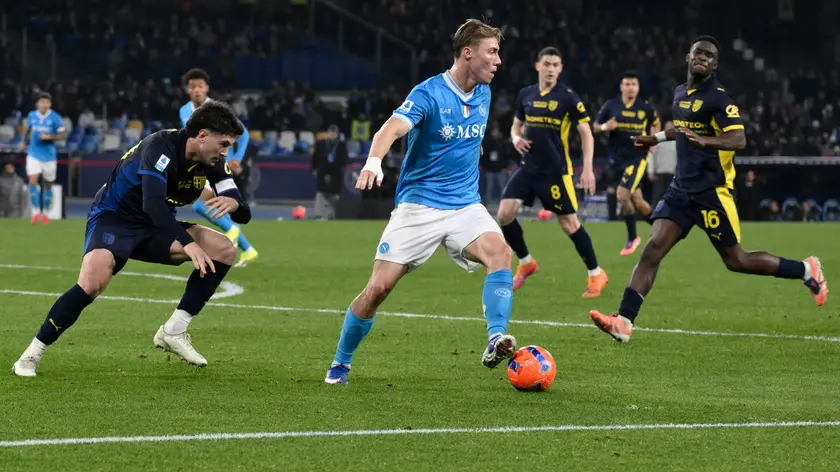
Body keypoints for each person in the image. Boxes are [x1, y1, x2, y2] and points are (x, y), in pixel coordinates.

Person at [589, 36, 828, 343]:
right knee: (653, 248)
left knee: (736, 260)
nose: (703, 58)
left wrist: (707, 141)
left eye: (709, 56)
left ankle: (806, 269)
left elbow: (738, 138)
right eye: (698, 53)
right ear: (688, 57)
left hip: (712, 191)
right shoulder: (680, 93)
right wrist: (656, 138)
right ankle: (624, 321)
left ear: (715, 65)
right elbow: (682, 127)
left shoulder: (720, 99)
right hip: (681, 190)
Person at [324, 19, 515, 385]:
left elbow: (468, 140)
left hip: (465, 205)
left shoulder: (485, 93)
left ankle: (496, 339)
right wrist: (374, 161)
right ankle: (340, 363)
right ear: (467, 53)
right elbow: (391, 128)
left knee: (501, 253)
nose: (498, 60)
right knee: (378, 289)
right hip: (419, 206)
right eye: (492, 52)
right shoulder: (429, 93)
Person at [12, 101, 252, 376]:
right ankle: (31, 354)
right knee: (93, 283)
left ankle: (174, 330)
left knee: (224, 248)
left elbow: (242, 212)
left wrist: (235, 204)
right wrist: (189, 245)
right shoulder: (160, 147)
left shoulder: (213, 162)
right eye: (223, 144)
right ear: (202, 135)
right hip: (115, 218)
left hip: (155, 225)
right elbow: (152, 203)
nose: (226, 152)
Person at [497, 47, 605, 297]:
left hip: (555, 172)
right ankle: (526, 262)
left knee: (569, 224)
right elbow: (515, 126)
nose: (551, 69)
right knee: (504, 214)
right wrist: (515, 139)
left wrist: (588, 168)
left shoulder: (569, 98)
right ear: (538, 66)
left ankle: (596, 273)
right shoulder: (526, 94)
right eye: (546, 64)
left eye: (555, 65)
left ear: (560, 69)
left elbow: (586, 133)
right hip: (528, 168)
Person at [179, 68, 258, 267]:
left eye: (200, 86)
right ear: (187, 90)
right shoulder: (184, 111)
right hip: (200, 165)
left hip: (217, 166)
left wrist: (236, 159)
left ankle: (232, 231)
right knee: (205, 203)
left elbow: (244, 134)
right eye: (193, 87)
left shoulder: (216, 110)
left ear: (207, 88)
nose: (197, 90)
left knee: (200, 204)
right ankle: (248, 250)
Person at [593, 71, 661, 256]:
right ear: (621, 87)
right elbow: (595, 127)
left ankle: (632, 238)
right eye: (628, 84)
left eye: (634, 85)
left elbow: (656, 123)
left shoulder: (645, 107)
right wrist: (606, 127)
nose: (631, 88)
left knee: (622, 195)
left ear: (638, 87)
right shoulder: (611, 106)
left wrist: (653, 140)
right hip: (617, 160)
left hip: (637, 158)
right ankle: (662, 228)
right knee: (638, 202)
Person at [20, 92, 66, 224]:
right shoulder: (32, 115)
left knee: (48, 184)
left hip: (49, 155)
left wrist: (50, 137)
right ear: (37, 104)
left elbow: (63, 135)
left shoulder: (55, 118)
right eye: (41, 102)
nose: (43, 104)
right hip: (34, 153)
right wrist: (23, 142)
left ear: (49, 104)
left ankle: (45, 213)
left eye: (46, 102)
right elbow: (27, 129)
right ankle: (35, 212)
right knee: (33, 179)